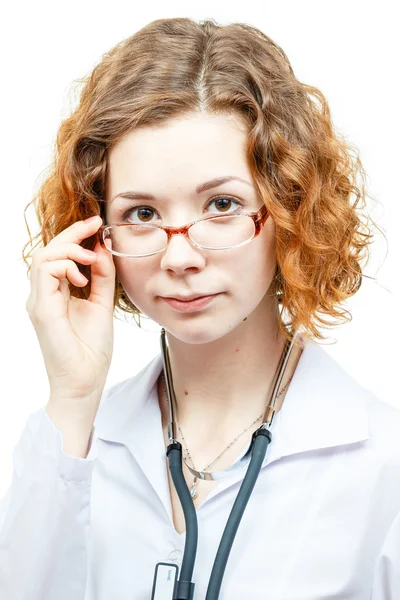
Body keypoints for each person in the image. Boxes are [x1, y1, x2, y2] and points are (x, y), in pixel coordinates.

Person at [0, 16, 399, 600]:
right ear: (96, 231)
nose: (181, 255)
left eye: (221, 203)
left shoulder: (383, 465)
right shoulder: (76, 444)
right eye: (142, 213)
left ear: (288, 208)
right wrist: (73, 397)